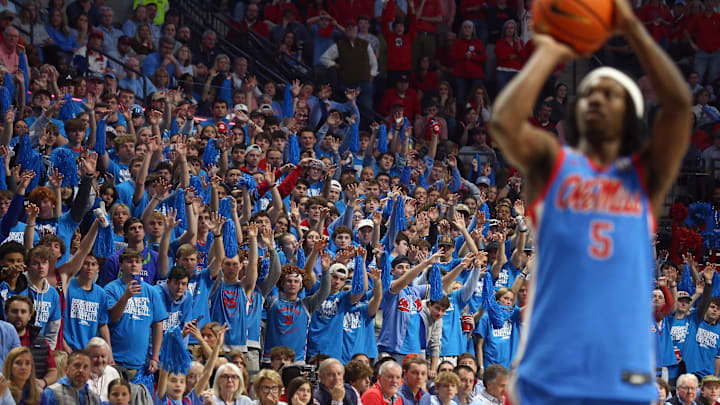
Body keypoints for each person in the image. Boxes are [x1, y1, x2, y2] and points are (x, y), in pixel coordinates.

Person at [488, 0, 693, 401]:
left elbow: (680, 105)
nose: (596, 99)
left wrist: (632, 28)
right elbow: (503, 122)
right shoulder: (553, 163)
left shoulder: (644, 177)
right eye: (589, 94)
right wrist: (551, 49)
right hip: (550, 364)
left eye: (610, 94)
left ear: (629, 115)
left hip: (622, 368)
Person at [5, 295, 58, 390]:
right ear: (6, 314)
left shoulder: (41, 341)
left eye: (23, 312)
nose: (19, 315)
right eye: (14, 311)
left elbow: (53, 371)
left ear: (30, 316)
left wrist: (43, 382)